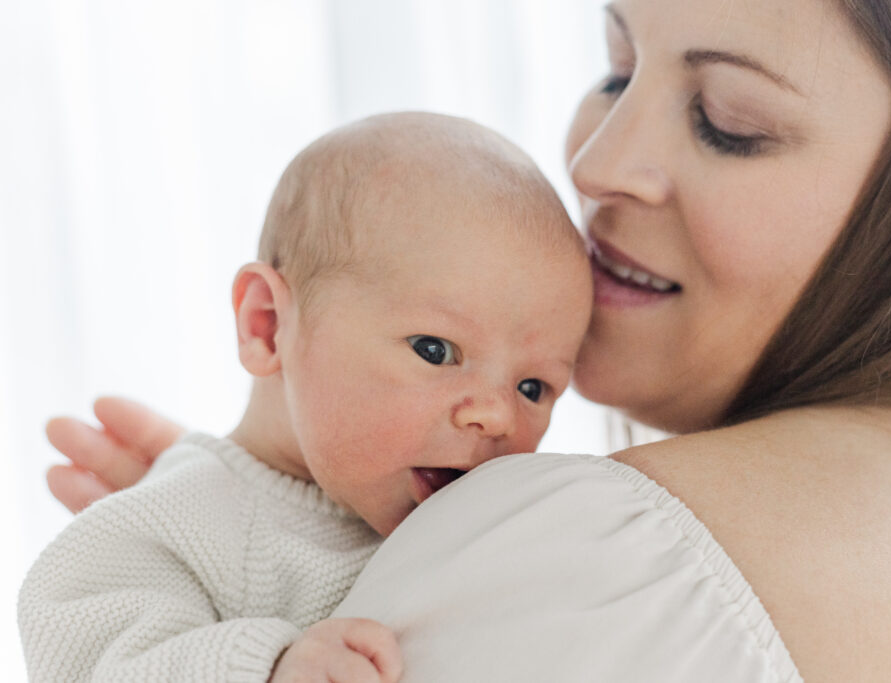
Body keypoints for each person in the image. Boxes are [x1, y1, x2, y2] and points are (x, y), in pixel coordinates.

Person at [41, 0, 891, 679]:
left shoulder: (592, 550)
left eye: (726, 122)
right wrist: (246, 511)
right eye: (616, 67)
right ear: (268, 326)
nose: (596, 164)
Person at [19, 112, 593, 682]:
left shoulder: (478, 525)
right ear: (268, 326)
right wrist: (266, 668)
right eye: (435, 350)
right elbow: (80, 652)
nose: (496, 416)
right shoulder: (182, 517)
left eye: (532, 388)